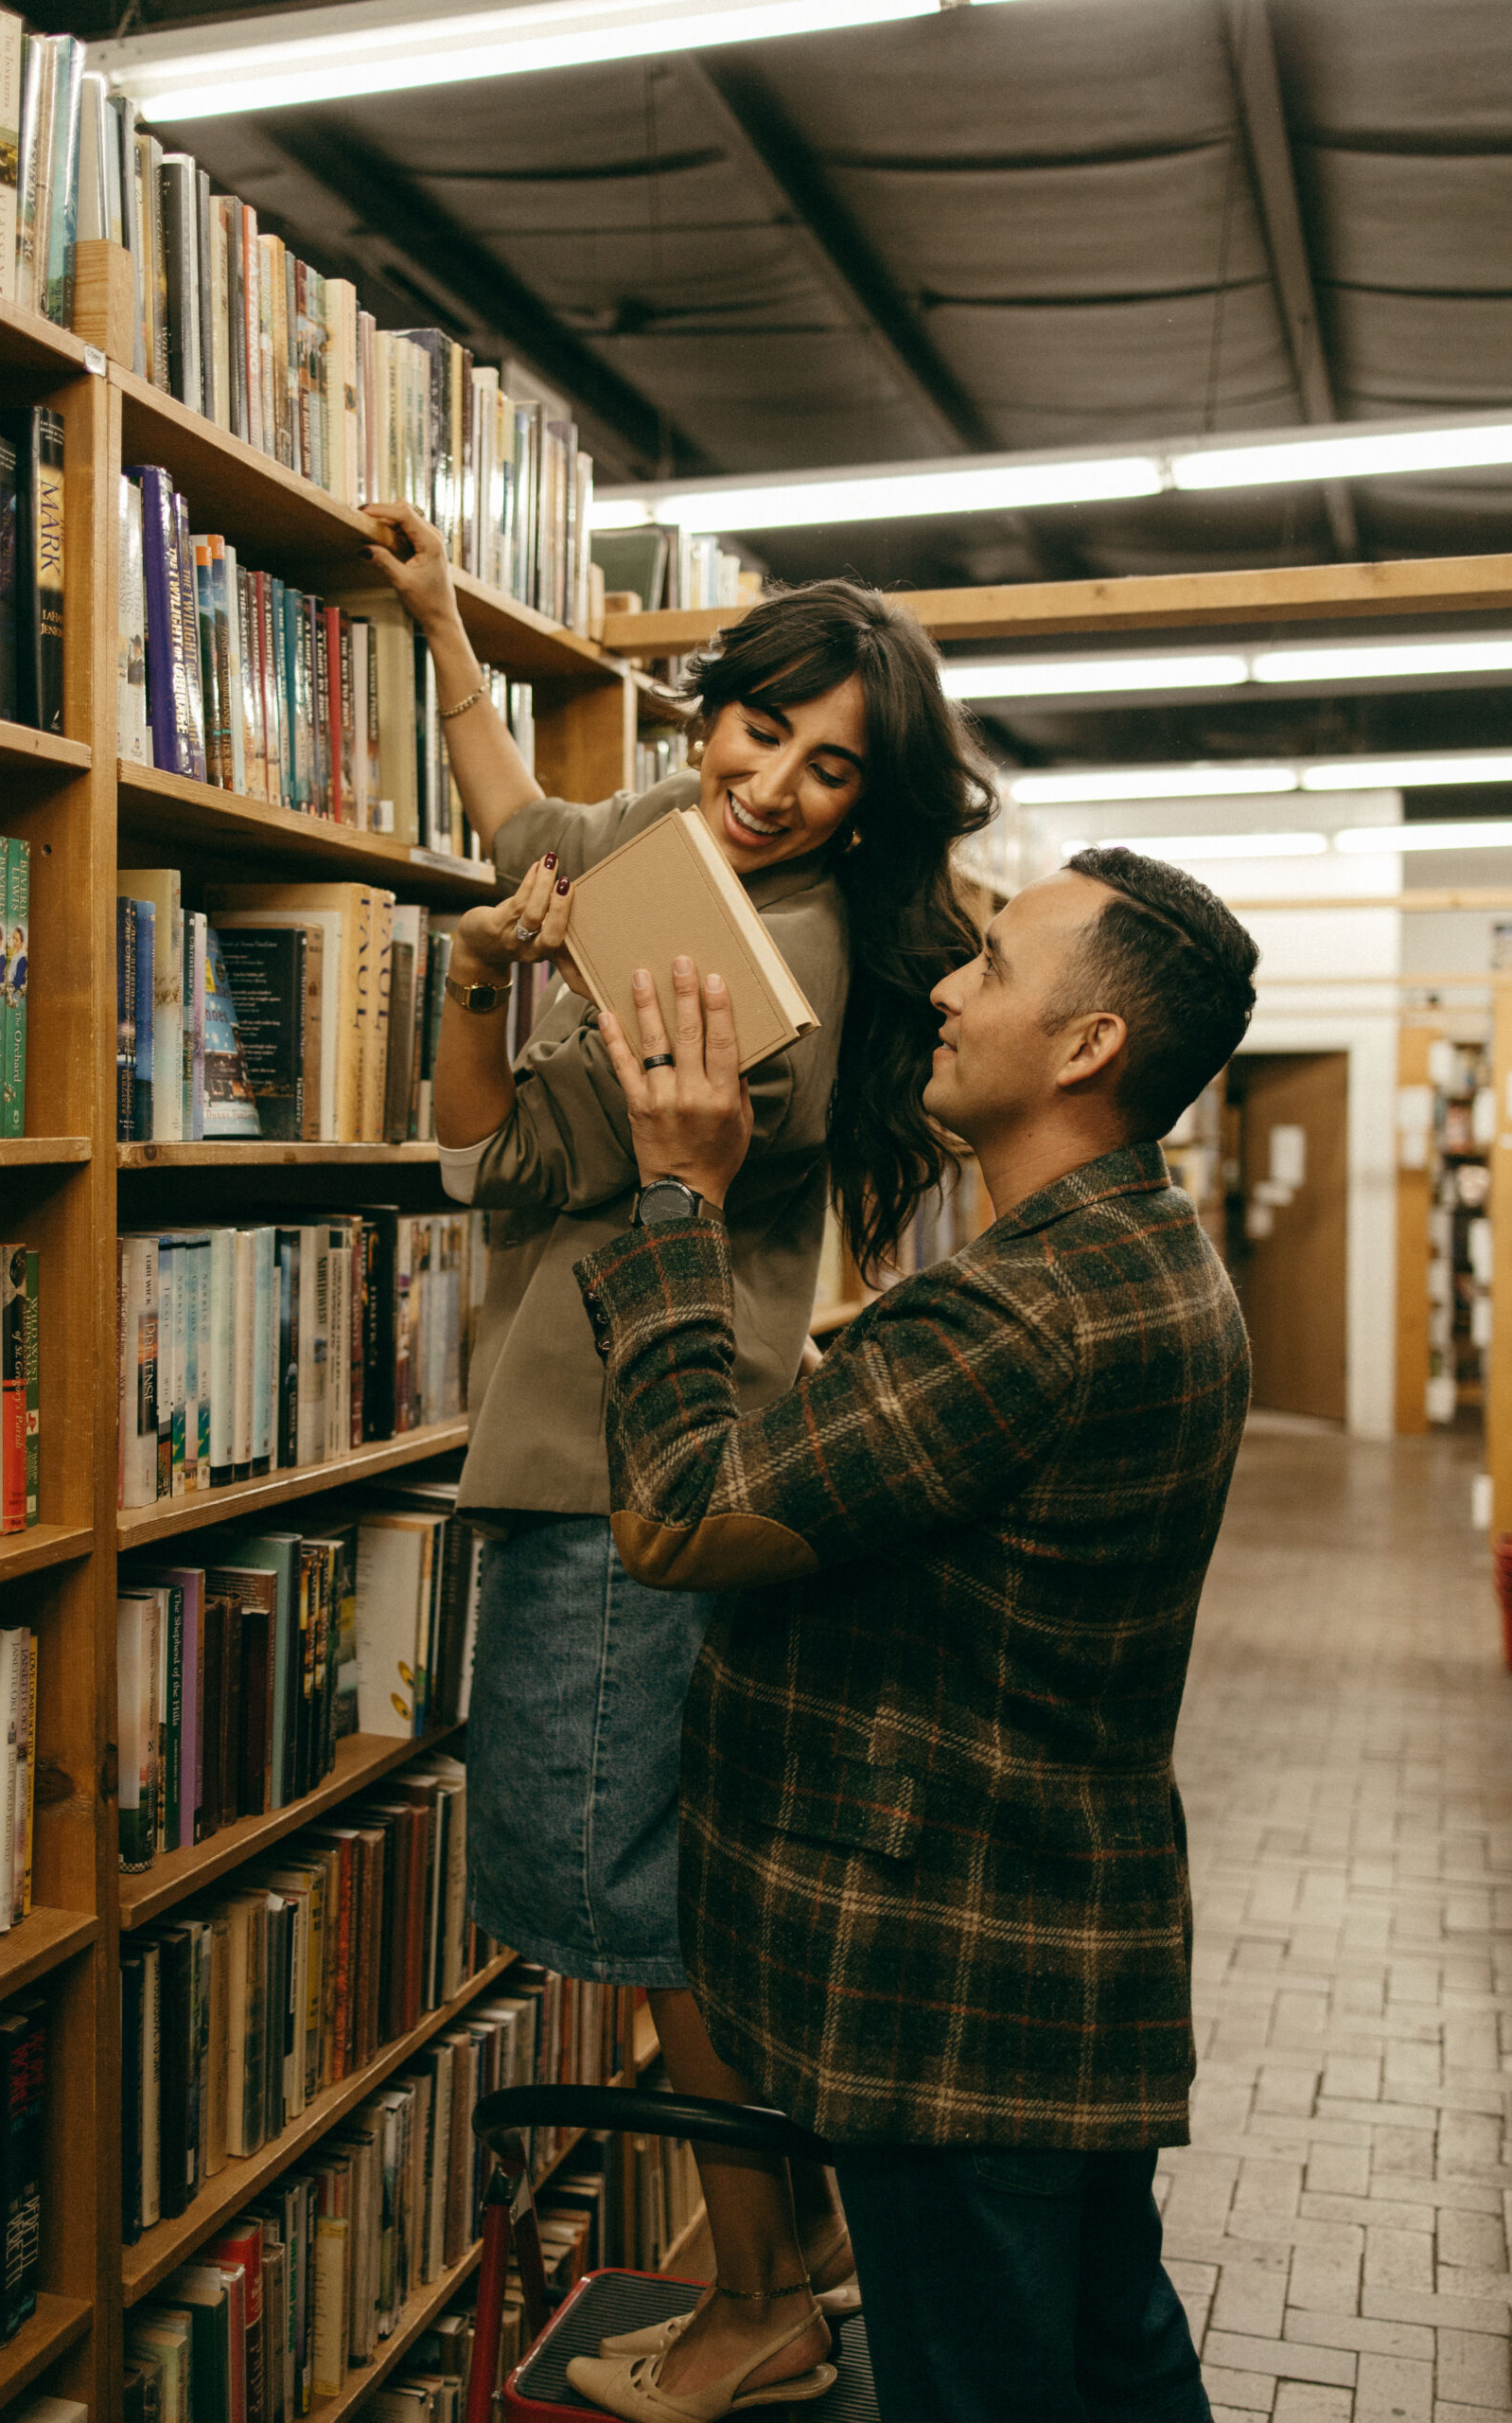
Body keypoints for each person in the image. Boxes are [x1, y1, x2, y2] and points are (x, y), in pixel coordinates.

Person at [361, 501, 994, 2382]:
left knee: (642, 1899)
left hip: (608, 1467)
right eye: (756, 729)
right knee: (675, 1887)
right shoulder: (652, 851)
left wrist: (490, 992)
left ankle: (760, 2295)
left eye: (828, 767)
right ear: (704, 713)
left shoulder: (754, 985)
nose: (774, 782)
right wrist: (436, 619)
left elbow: (490, 1148)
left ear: (872, 808)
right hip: (619, 1461)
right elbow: (517, 818)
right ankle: (783, 2256)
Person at [564, 846, 1259, 2423]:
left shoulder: (1030, 1310)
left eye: (994, 968)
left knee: (984, 2386)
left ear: (1088, 1048)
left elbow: (679, 1513)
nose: (947, 988)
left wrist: (681, 1193)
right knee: (1110, 2366)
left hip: (957, 1991)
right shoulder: (1143, 1255)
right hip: (1056, 1958)